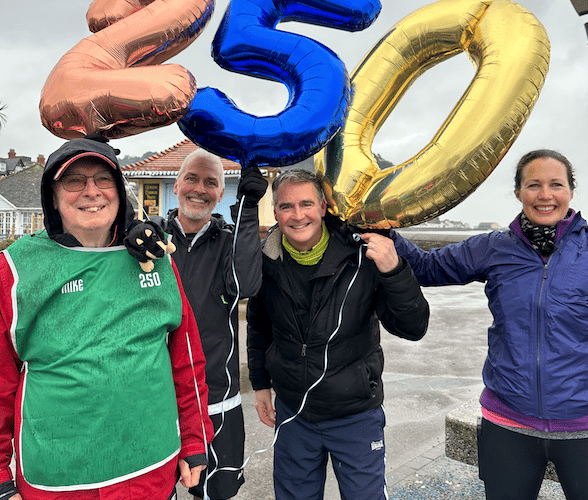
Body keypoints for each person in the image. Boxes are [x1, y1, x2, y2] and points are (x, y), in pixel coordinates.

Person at [0, 135, 214, 500]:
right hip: (58, 478)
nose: (91, 191)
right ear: (53, 197)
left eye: (103, 179)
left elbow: (186, 360)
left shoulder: (154, 258)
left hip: (149, 469)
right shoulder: (17, 269)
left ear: (119, 190)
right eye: (74, 181)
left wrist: (195, 440)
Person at [391, 150, 588, 500]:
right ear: (518, 193)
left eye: (556, 184)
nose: (545, 195)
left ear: (571, 191)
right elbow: (426, 268)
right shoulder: (494, 247)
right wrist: (383, 230)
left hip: (583, 426)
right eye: (534, 185)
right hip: (508, 423)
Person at [246, 168, 429, 500]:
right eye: (287, 206)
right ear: (275, 212)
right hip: (294, 411)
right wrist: (261, 385)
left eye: (306, 204)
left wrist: (394, 269)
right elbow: (259, 327)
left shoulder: (360, 255)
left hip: (355, 412)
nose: (297, 215)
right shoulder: (266, 260)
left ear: (322, 208)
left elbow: (413, 327)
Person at [149, 149, 266, 500]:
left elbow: (246, 285)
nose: (199, 189)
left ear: (220, 193)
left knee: (217, 493)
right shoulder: (150, 240)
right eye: (192, 179)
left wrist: (247, 212)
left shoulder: (231, 243)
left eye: (211, 183)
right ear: (177, 184)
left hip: (216, 400)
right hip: (154, 399)